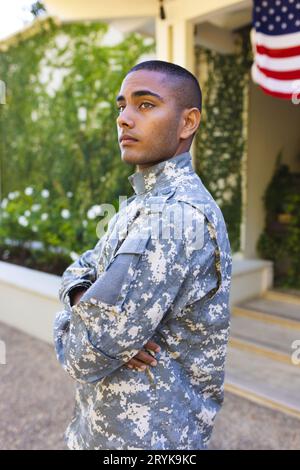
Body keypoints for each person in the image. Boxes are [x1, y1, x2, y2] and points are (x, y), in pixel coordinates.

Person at [53, 60, 232, 450]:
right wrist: (82, 298)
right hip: (105, 432)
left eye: (146, 105)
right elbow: (81, 265)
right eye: (122, 107)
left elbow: (84, 357)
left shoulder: (175, 216)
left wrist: (70, 324)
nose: (124, 119)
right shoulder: (143, 203)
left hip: (146, 442)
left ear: (188, 123)